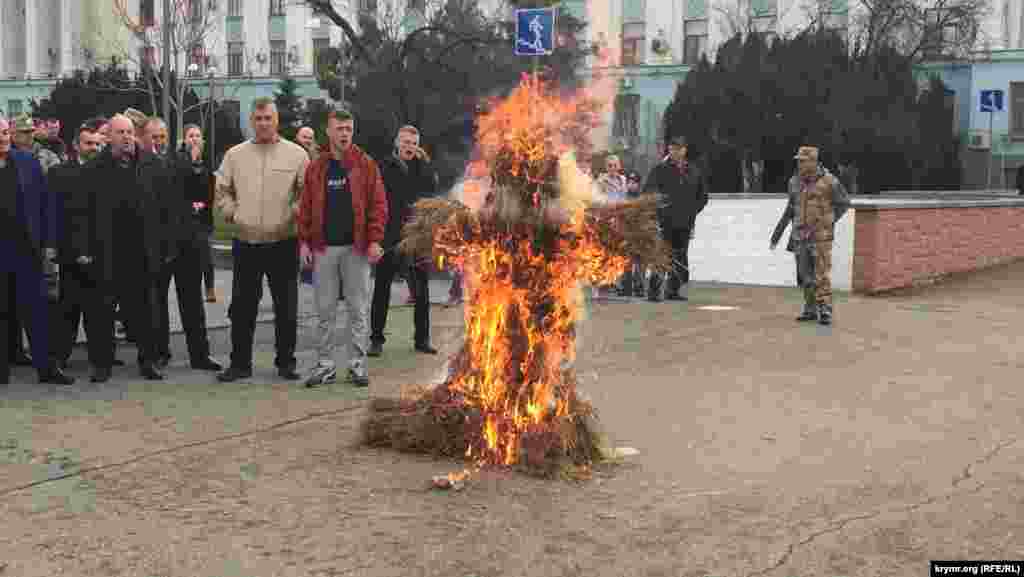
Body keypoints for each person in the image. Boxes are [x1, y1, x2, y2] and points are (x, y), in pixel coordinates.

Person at [215, 98, 309, 383]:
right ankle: (240, 364)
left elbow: (309, 193)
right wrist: (234, 213)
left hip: (283, 241)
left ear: (276, 120)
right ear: (251, 122)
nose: (263, 123)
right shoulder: (235, 155)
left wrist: (295, 211)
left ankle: (286, 363)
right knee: (243, 309)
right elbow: (221, 190)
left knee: (286, 308)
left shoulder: (297, 155)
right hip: (246, 242)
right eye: (258, 118)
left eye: (268, 118)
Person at [298, 107, 387, 388]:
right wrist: (304, 242)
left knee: (357, 310)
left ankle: (357, 365)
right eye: (339, 129)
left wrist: (374, 240)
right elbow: (306, 208)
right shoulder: (317, 167)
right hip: (324, 249)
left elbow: (379, 205)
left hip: (357, 249)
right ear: (328, 131)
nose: (345, 134)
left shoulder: (365, 164)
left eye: (349, 129)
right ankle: (325, 365)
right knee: (324, 312)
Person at [82, 114, 169, 381]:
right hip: (107, 251)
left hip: (142, 251)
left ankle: (149, 361)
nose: (127, 137)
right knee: (102, 312)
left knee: (145, 310)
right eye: (121, 132)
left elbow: (164, 208)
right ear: (108, 137)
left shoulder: (152, 164)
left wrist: (165, 245)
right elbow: (84, 212)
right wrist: (84, 247)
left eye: (130, 131)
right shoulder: (95, 168)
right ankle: (102, 365)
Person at [0, 116, 73, 385]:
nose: (4, 137)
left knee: (37, 313)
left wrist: (49, 244)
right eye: (0, 133)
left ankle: (47, 368)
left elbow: (46, 206)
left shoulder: (28, 163)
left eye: (6, 132)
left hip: (27, 250)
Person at [145, 119, 222, 372]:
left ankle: (200, 355)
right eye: (154, 136)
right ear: (146, 136)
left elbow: (202, 194)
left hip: (187, 241)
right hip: (160, 243)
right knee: (157, 303)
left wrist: (197, 164)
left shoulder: (183, 160)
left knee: (192, 301)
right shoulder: (143, 163)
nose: (159, 141)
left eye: (163, 136)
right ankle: (159, 353)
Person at [370, 125, 438, 358]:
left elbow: (432, 192)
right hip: (389, 237)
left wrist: (425, 164)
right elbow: (375, 201)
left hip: (416, 238)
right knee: (382, 289)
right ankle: (376, 340)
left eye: (413, 143)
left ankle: (422, 340)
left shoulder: (423, 167)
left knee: (422, 292)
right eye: (406, 142)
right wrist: (376, 237)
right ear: (397, 143)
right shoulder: (384, 166)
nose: (410, 147)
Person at [770, 145, 850, 326]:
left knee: (821, 275)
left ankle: (825, 309)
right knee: (805, 276)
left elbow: (844, 203)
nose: (799, 164)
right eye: (798, 161)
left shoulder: (829, 181)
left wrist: (829, 221)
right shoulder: (794, 182)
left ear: (813, 161)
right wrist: (777, 235)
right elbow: (790, 209)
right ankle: (810, 308)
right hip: (800, 237)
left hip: (821, 237)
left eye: (803, 161)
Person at [643, 136, 708, 302]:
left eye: (679, 148)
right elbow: (648, 193)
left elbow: (703, 196)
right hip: (664, 222)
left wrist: (690, 211)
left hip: (684, 223)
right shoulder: (659, 170)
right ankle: (653, 292)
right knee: (661, 256)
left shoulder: (693, 170)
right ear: (669, 150)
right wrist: (658, 213)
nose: (675, 151)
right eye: (672, 148)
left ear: (684, 150)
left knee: (680, 257)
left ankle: (672, 291)